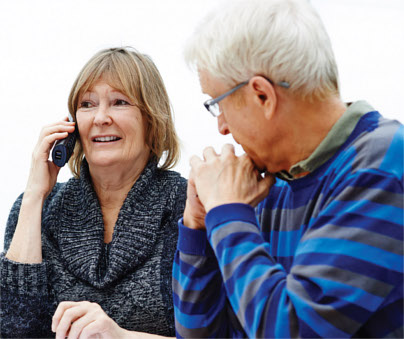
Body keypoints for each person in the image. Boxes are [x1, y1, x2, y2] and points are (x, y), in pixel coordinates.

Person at [172, 0, 404, 338]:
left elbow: (291, 330)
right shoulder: (271, 182)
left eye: (217, 104)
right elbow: (200, 334)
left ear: (262, 96)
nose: (221, 126)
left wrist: (228, 213)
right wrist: (198, 227)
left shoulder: (381, 166)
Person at [1, 47, 187, 338]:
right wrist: (35, 194)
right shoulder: (37, 209)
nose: (100, 117)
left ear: (152, 118)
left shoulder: (189, 206)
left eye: (119, 102)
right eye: (87, 104)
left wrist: (120, 336)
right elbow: (13, 330)